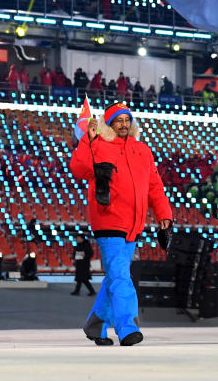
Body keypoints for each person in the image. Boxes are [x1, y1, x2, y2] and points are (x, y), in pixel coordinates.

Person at [69, 102, 172, 347]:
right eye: (118, 120)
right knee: (121, 277)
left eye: (127, 119)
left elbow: (155, 187)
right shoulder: (98, 145)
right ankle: (127, 328)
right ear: (109, 123)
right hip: (108, 219)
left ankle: (95, 324)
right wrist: (88, 140)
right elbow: (78, 168)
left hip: (134, 224)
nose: (124, 124)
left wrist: (164, 214)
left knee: (116, 276)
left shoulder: (143, 150)